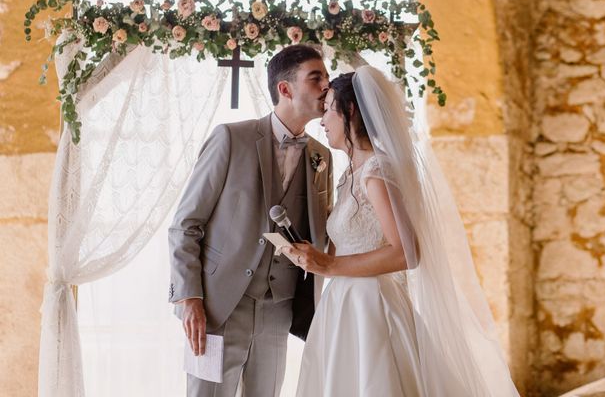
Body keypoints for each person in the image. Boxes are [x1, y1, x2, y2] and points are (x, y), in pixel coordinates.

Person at [284, 66, 520, 396]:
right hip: (343, 303)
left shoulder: (376, 172)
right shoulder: (350, 172)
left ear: (350, 111)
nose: (322, 121)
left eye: (328, 109)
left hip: (372, 307)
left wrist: (329, 265)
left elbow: (406, 252)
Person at [168, 44, 333, 397]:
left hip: (280, 309)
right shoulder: (230, 138)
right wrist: (189, 299)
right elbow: (186, 224)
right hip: (217, 307)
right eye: (315, 78)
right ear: (284, 89)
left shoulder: (322, 157)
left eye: (327, 78)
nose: (326, 87)